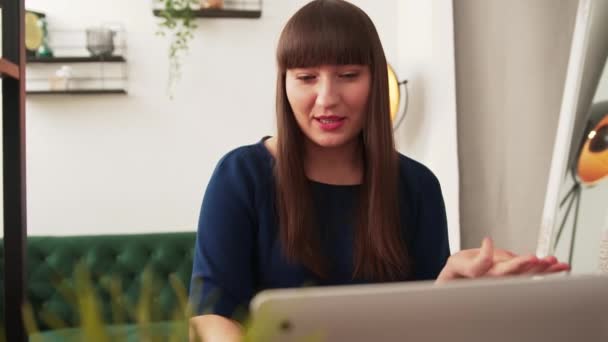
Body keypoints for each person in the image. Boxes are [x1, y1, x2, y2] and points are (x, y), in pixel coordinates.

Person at [188, 1, 569, 340]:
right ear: (284, 84)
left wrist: (451, 285)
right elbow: (211, 315)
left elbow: (423, 323)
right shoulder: (241, 176)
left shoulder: (416, 186)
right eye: (306, 78)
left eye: (349, 75)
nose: (327, 98)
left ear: (376, 81)